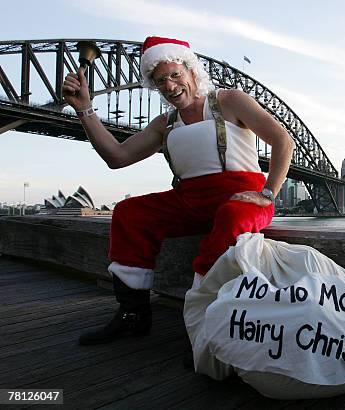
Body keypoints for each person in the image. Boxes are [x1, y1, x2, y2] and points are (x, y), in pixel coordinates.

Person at [61, 36, 295, 346]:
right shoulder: (164, 124)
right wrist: (85, 109)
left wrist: (268, 193)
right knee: (130, 213)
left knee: (231, 215)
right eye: (160, 81)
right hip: (190, 201)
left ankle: (206, 321)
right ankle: (133, 315)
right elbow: (116, 158)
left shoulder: (230, 101)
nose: (169, 85)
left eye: (174, 75)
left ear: (192, 71)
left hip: (243, 198)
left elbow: (283, 141)